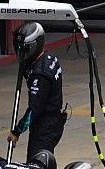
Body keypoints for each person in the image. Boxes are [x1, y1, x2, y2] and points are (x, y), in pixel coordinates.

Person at [7, 22, 67, 159]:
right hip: (52, 120)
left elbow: (34, 110)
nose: (21, 54)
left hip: (46, 125)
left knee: (37, 163)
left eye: (25, 50)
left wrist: (17, 131)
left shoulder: (40, 75)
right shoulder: (48, 58)